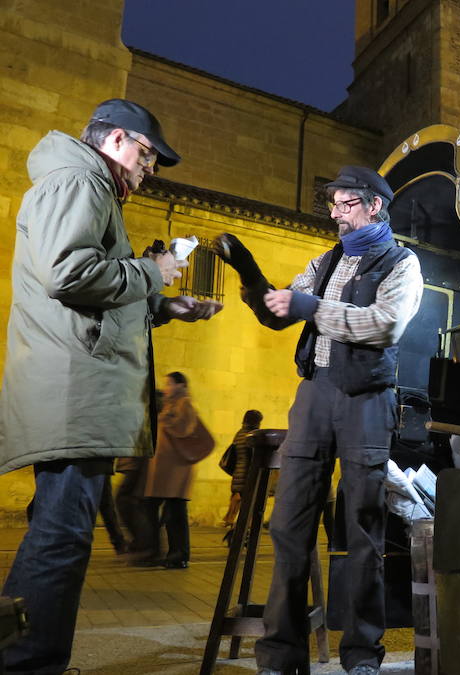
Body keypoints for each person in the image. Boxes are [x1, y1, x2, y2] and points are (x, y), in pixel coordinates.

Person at [0, 99, 222, 674]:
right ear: (117, 139)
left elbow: (93, 298)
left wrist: (164, 305)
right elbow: (67, 272)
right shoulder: (82, 180)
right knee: (61, 535)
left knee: (57, 530)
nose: (150, 169)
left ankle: (24, 656)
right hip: (74, 389)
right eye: (148, 155)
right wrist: (152, 272)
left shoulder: (85, 184)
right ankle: (28, 664)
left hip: (76, 386)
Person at [213, 166, 423, 675]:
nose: (333, 213)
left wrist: (311, 306)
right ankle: (280, 656)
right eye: (331, 204)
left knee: (364, 530)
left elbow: (385, 324)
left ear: (374, 206)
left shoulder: (401, 263)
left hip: (366, 401)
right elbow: (279, 310)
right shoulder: (323, 262)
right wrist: (247, 269)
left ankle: (361, 654)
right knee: (289, 526)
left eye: (344, 203)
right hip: (314, 397)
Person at [142, 371, 206, 568]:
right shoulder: (172, 404)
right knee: (164, 511)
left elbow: (183, 428)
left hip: (177, 471)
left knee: (175, 513)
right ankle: (160, 552)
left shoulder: (184, 403)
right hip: (167, 470)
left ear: (181, 385)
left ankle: (178, 555)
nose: (166, 387)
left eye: (169, 383)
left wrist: (164, 418)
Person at [222, 409, 264, 533]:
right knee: (249, 510)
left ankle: (236, 535)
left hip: (237, 476)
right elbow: (253, 459)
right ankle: (239, 536)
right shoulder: (252, 436)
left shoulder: (239, 433)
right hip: (247, 477)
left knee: (242, 509)